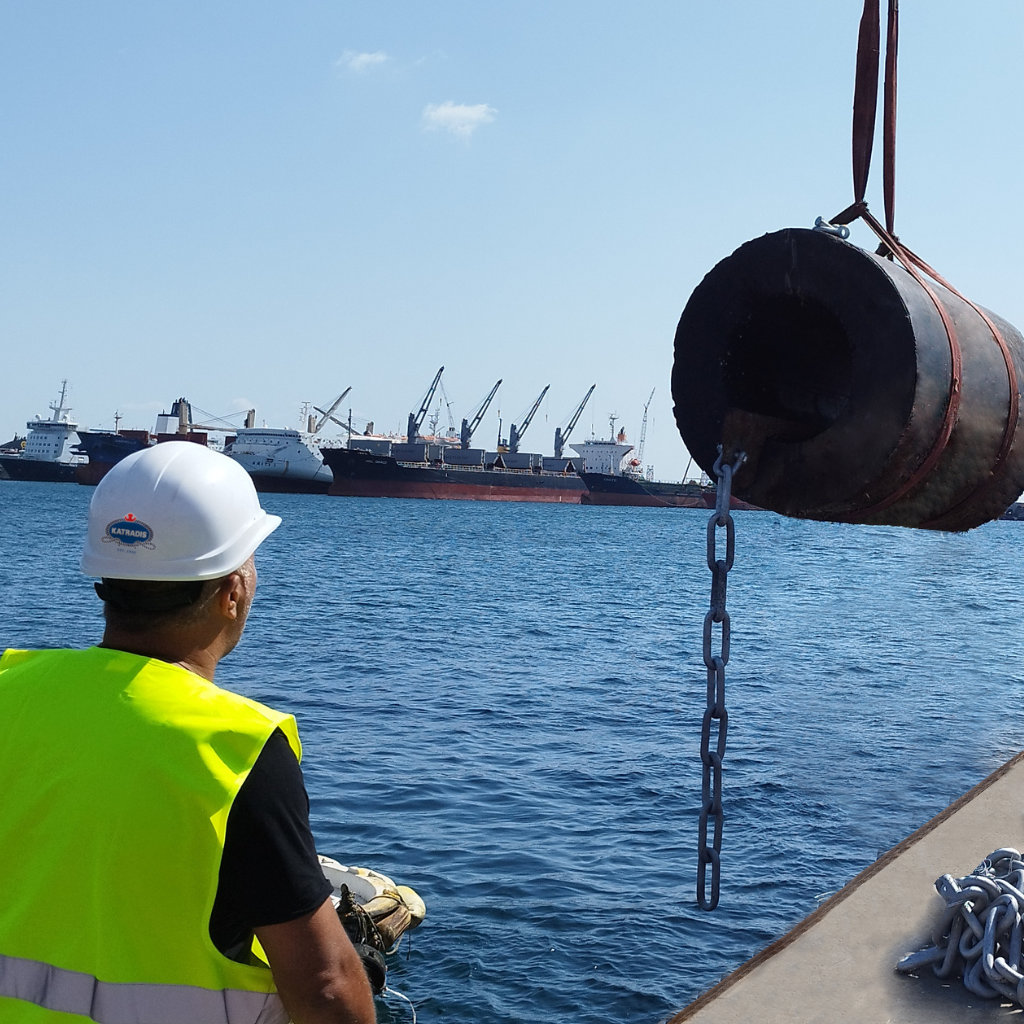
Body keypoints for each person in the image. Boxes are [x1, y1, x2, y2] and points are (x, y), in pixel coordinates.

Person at [0, 442, 375, 1024]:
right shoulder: (235, 746)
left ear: (105, 577)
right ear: (232, 590)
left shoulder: (8, 688)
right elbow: (326, 988)